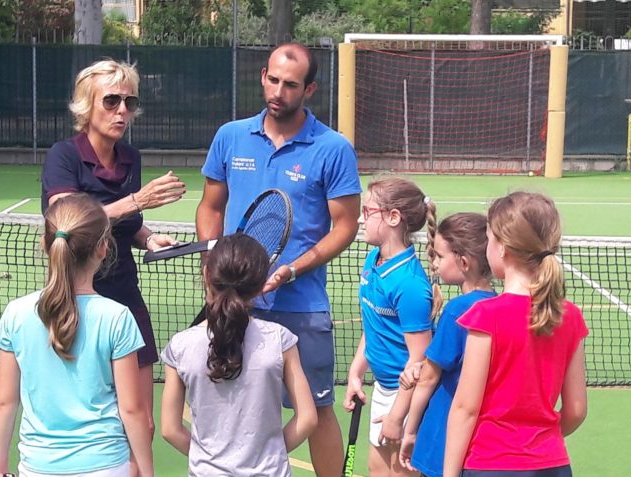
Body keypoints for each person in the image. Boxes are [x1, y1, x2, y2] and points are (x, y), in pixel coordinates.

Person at [195, 42, 361, 475]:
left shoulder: (333, 148)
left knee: (318, 409)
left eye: (290, 84)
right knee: (232, 403)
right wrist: (212, 266)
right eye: (273, 80)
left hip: (302, 305)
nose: (278, 91)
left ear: (310, 90)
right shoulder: (230, 136)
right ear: (262, 76)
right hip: (234, 302)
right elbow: (210, 207)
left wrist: (293, 269)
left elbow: (345, 226)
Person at [40, 59, 186, 451]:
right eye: (111, 101)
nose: (122, 110)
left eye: (130, 102)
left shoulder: (130, 158)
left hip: (124, 294)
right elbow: (69, 221)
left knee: (140, 422)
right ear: (86, 105)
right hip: (73, 298)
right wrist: (137, 200)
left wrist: (148, 237)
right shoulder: (63, 156)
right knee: (82, 416)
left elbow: (124, 223)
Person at [0, 194, 153, 477]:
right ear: (103, 248)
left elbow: (4, 403)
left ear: (46, 245)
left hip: (37, 467)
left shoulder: (16, 313)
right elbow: (132, 410)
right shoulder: (117, 317)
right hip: (106, 465)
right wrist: (147, 472)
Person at [443, 191, 588, 477]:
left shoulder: (486, 316)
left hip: (490, 464)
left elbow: (465, 409)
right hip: (552, 464)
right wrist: (538, 443)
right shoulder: (570, 316)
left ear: (502, 248)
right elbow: (576, 409)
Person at [160, 233, 318, 476]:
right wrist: (270, 455)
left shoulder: (180, 346)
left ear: (207, 275)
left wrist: (208, 460)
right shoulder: (279, 340)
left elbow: (170, 429)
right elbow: (307, 418)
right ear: (260, 284)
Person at [344, 177, 436, 476]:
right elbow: (373, 325)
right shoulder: (374, 259)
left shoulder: (410, 284)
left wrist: (398, 416)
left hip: (405, 395)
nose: (361, 219)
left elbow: (420, 361)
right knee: (377, 469)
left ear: (393, 217)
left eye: (367, 211)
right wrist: (356, 372)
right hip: (384, 387)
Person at [396, 212, 496, 477]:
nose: (434, 264)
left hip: (443, 438)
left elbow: (429, 379)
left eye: (440, 256)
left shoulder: (457, 311)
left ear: (464, 262)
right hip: (481, 444)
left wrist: (410, 430)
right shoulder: (498, 306)